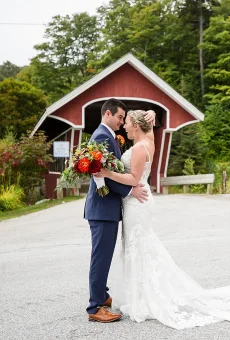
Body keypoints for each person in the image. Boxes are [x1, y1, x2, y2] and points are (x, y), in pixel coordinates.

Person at [94, 109, 230, 329]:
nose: (124, 126)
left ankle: (144, 297)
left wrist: (108, 173)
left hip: (137, 202)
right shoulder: (150, 142)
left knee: (139, 247)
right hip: (141, 202)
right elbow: (147, 136)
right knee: (140, 246)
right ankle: (140, 293)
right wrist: (152, 114)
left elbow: (134, 178)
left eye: (128, 123)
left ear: (136, 126)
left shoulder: (137, 148)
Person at [85, 99, 155, 322]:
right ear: (108, 114)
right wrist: (129, 191)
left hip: (110, 207)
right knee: (101, 257)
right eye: (119, 117)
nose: (122, 122)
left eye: (125, 119)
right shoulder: (102, 136)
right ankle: (95, 307)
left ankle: (102, 296)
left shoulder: (109, 135)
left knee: (104, 255)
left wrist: (150, 113)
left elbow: (108, 170)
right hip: (102, 207)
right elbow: (101, 172)